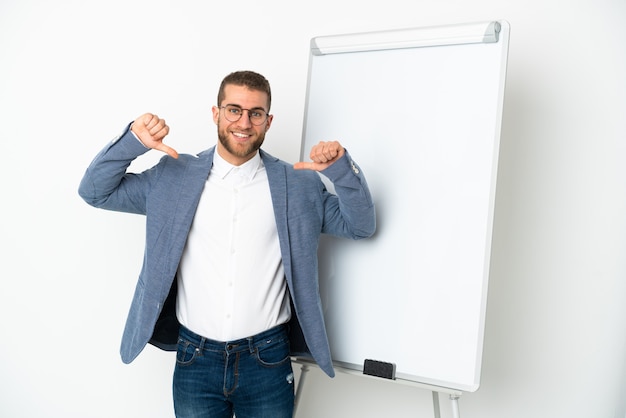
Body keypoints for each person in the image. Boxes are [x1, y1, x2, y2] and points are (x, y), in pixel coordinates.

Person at [78, 70, 376, 418]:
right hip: (195, 359)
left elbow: (361, 226)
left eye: (256, 113)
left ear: (268, 121)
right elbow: (94, 191)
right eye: (233, 110)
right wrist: (133, 141)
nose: (244, 122)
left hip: (267, 358)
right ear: (216, 113)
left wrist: (341, 170)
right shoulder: (173, 176)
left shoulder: (298, 185)